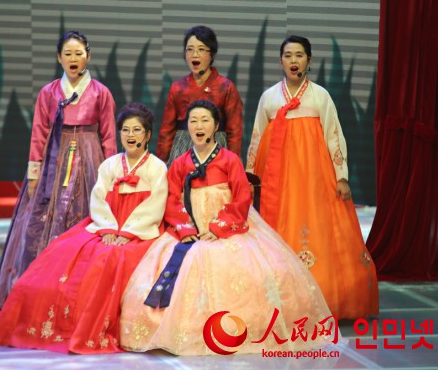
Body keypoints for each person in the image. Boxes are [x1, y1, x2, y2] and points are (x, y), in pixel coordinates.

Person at [120, 100, 341, 355]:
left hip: (226, 228)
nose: (198, 126)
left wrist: (218, 228)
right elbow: (171, 200)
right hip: (189, 231)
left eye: (205, 121)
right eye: (193, 121)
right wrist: (187, 229)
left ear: (216, 126)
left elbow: (241, 198)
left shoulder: (230, 160)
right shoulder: (180, 163)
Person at [0, 103, 168, 354]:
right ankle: (62, 323)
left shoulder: (157, 168)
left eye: (137, 130)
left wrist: (127, 232)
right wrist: (109, 229)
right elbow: (98, 200)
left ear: (148, 135)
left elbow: (154, 205)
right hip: (106, 226)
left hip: (139, 231)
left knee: (112, 258)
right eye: (125, 130)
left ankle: (93, 326)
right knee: (64, 251)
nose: (130, 135)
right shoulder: (110, 165)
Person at [245, 35, 379, 319]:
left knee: (320, 227)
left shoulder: (320, 96)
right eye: (288, 55)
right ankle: (281, 297)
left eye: (299, 55)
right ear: (280, 61)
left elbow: (334, 135)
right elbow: (257, 136)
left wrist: (341, 176)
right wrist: (252, 176)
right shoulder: (269, 97)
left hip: (315, 177)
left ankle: (326, 296)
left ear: (309, 60)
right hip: (279, 179)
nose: (293, 61)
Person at [0, 31, 117, 313]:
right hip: (54, 161)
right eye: (68, 54)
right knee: (39, 222)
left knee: (86, 218)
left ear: (88, 57)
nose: (73, 58)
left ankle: (81, 292)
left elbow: (109, 136)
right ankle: (37, 289)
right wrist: (34, 173)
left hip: (89, 159)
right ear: (59, 58)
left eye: (79, 53)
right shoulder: (48, 92)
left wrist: (111, 175)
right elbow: (38, 133)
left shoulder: (101, 92)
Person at [156, 25, 243, 166]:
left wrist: (233, 164)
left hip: (216, 149)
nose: (194, 55)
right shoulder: (177, 88)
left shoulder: (226, 87)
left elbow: (235, 131)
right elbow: (166, 131)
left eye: (201, 49)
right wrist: (161, 165)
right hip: (182, 149)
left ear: (212, 54)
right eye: (190, 49)